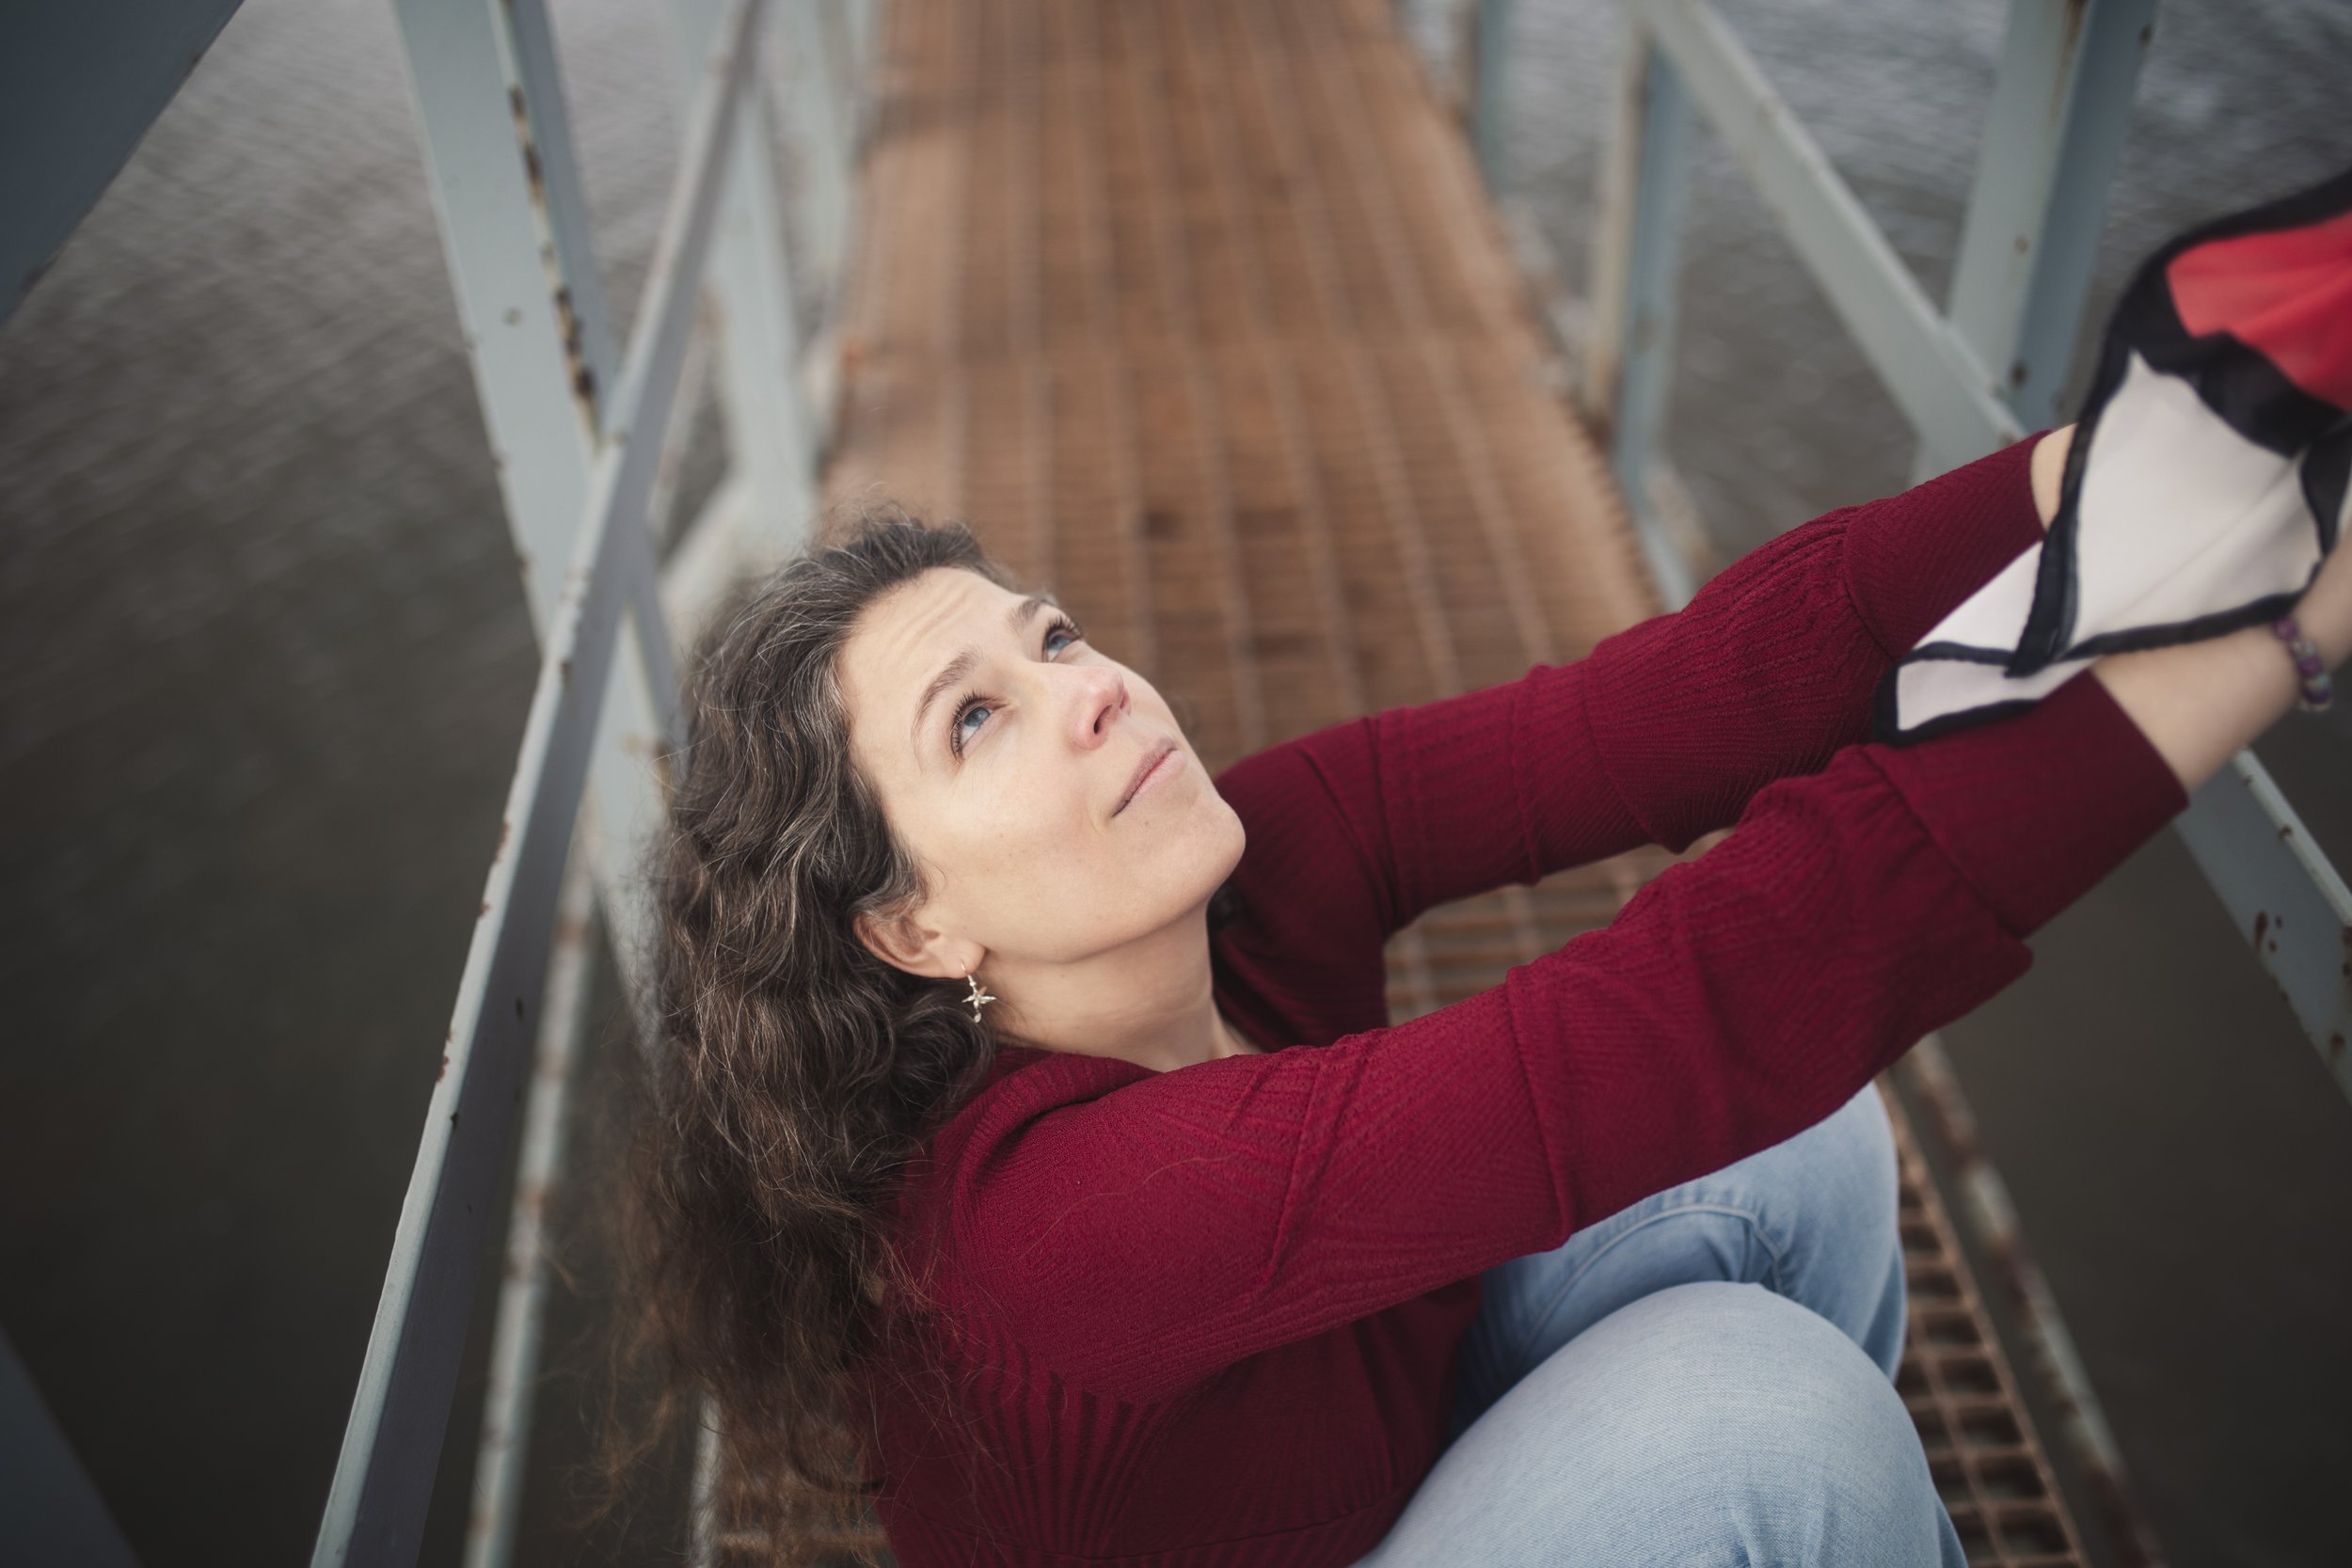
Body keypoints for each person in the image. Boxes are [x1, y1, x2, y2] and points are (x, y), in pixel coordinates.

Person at [603, 421, 2352, 1568]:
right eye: (973, 721)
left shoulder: (1252, 861)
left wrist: (2116, 464)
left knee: (1801, 1140)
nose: (1091, 691)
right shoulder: (1060, 1225)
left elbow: (1669, 709)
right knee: (1766, 1413)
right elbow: (1688, 1004)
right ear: (914, 933)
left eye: (1050, 637)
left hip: (1352, 1463)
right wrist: (2268, 639)